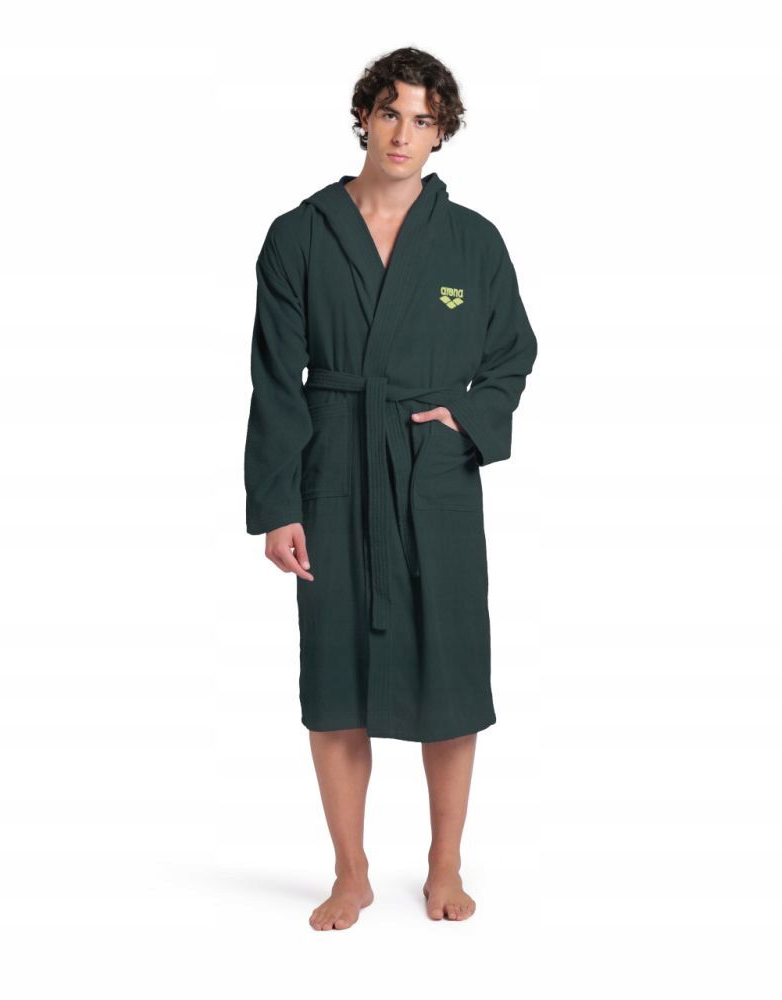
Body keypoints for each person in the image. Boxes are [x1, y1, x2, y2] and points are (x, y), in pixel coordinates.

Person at [244, 47, 538, 930]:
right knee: (335, 679)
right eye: (389, 113)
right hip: (333, 473)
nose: (403, 133)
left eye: (423, 119)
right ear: (364, 118)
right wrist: (278, 505)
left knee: (451, 676)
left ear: (441, 133)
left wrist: (466, 419)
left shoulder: (472, 240)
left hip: (433, 479)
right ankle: (352, 873)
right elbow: (274, 379)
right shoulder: (299, 234)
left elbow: (512, 354)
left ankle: (445, 863)